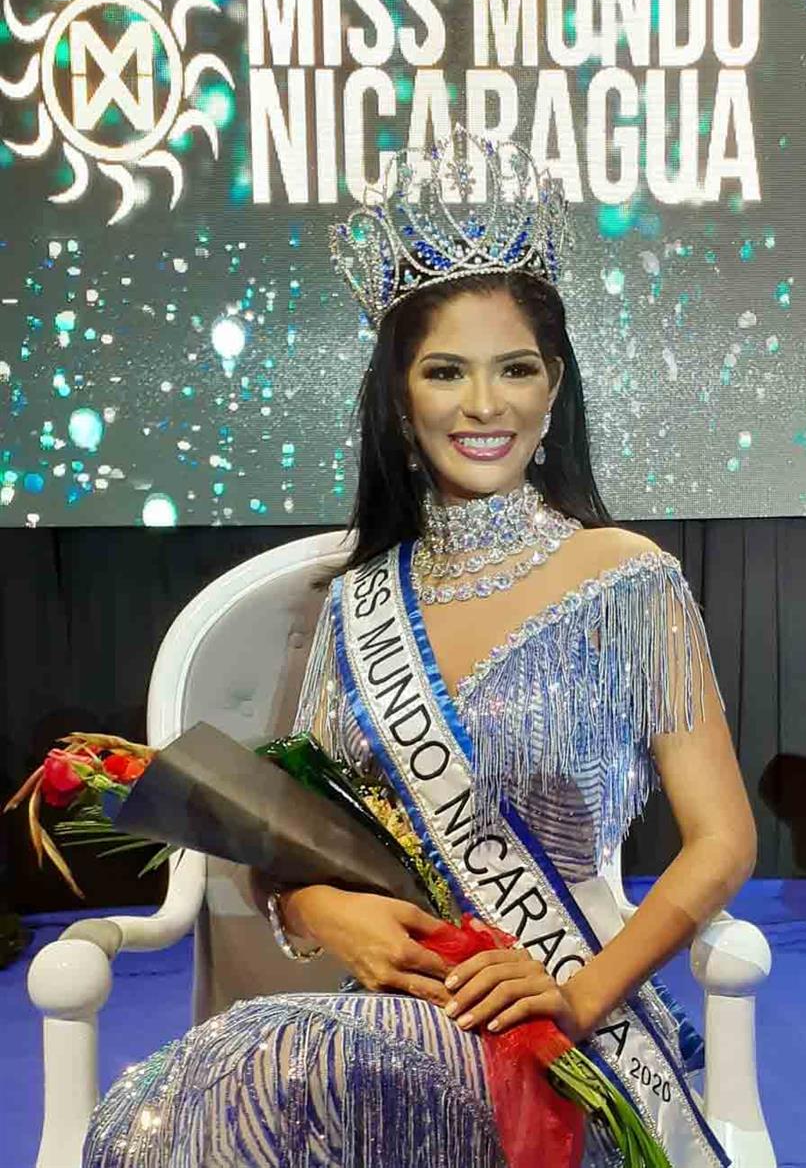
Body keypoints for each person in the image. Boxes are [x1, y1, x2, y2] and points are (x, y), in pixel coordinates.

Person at [83, 130, 756, 1168]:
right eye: (447, 371)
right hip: (398, 1018)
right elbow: (297, 837)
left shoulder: (628, 579)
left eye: (514, 370)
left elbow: (722, 840)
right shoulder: (357, 606)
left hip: (575, 1019)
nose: (483, 405)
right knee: (159, 1115)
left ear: (552, 386)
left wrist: (578, 993)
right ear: (401, 395)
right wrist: (318, 909)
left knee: (226, 1089)